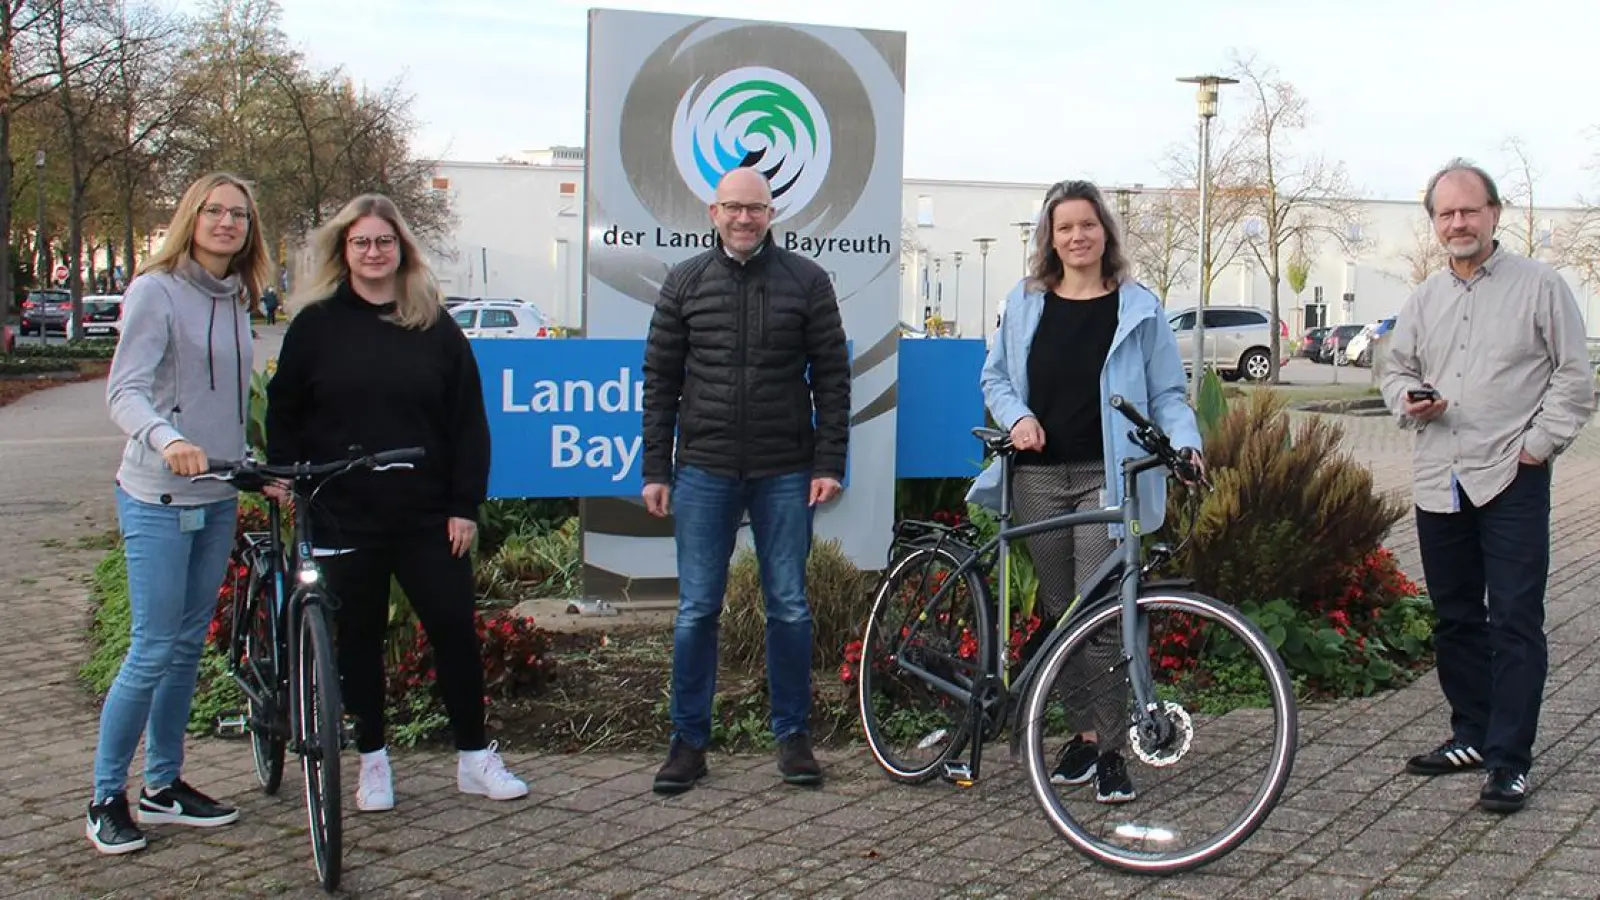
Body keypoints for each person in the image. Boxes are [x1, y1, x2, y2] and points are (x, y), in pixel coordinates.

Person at [265, 193, 527, 813]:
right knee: (356, 638)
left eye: (385, 242)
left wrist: (465, 504)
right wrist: (285, 473)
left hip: (427, 514)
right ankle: (373, 763)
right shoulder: (316, 326)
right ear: (344, 251)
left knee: (453, 632)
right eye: (362, 242)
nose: (374, 252)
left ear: (401, 250)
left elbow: (469, 422)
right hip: (343, 512)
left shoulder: (434, 324)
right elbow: (284, 410)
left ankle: (473, 757)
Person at [967, 180, 1204, 805]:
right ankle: (1078, 735)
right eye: (1065, 227)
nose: (1077, 236)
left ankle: (1111, 751)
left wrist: (1187, 443)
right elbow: (994, 378)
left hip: (1108, 474)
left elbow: (1169, 395)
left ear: (1106, 234)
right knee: (1058, 611)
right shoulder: (1024, 303)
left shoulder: (1137, 307)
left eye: (1088, 225)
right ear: (1050, 237)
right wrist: (1016, 418)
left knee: (1098, 613)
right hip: (1039, 478)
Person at [1380, 159, 1595, 814]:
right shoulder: (1425, 297)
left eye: (1469, 211)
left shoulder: (1542, 286)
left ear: (1494, 214)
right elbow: (1395, 370)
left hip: (1510, 476)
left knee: (1515, 621)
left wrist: (1537, 447)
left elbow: (1574, 377)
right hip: (1438, 478)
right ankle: (1471, 734)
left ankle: (1509, 759)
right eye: (1446, 214)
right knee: (1454, 618)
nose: (1458, 223)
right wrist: (1406, 401)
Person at [641, 166, 851, 795]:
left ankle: (792, 737)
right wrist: (657, 467)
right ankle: (687, 742)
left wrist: (828, 462)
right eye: (732, 208)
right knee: (696, 610)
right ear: (713, 212)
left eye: (754, 208)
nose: (743, 218)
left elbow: (833, 377)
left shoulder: (808, 282)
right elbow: (660, 382)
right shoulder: (684, 282)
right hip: (703, 469)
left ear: (770, 214)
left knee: (788, 606)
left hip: (785, 469)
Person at [90, 172, 272, 855]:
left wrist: (250, 464)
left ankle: (162, 787)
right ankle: (105, 795)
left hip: (215, 498)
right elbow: (126, 392)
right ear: (191, 218)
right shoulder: (155, 290)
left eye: (239, 216)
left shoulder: (236, 300)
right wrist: (169, 441)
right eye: (215, 211)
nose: (227, 223)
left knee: (187, 647)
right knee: (152, 648)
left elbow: (220, 402)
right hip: (156, 497)